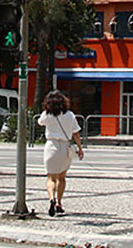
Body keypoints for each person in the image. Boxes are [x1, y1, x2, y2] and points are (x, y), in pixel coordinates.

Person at [37, 89, 84, 217]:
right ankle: (59, 203)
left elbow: (40, 122)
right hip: (65, 147)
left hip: (51, 146)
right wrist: (80, 148)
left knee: (50, 177)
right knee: (62, 177)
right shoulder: (70, 115)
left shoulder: (47, 115)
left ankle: (51, 198)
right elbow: (76, 133)